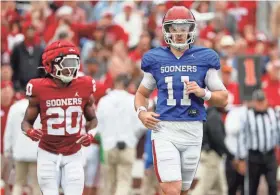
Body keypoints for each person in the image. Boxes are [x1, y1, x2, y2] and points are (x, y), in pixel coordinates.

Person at [134, 6, 228, 195]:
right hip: (164, 128)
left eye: (183, 28)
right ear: (166, 30)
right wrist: (141, 112)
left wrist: (204, 93)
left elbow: (223, 99)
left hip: (193, 128)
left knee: (184, 189)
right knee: (171, 188)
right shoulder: (156, 58)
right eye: (174, 29)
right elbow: (141, 94)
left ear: (191, 30)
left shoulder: (204, 57)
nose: (178, 34)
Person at [21, 40, 98, 195]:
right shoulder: (38, 87)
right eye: (67, 62)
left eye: (74, 62)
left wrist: (91, 134)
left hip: (74, 152)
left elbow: (93, 120)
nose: (72, 68)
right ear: (50, 65)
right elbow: (26, 122)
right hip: (47, 152)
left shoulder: (84, 85)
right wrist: (29, 132)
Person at [235, 89, 279, 195]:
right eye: (258, 101)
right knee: (252, 187)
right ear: (254, 102)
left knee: (273, 186)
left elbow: (278, 132)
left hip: (270, 155)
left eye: (262, 101)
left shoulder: (273, 114)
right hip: (254, 156)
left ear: (266, 101)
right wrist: (241, 158)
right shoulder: (247, 115)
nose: (260, 104)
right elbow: (242, 137)